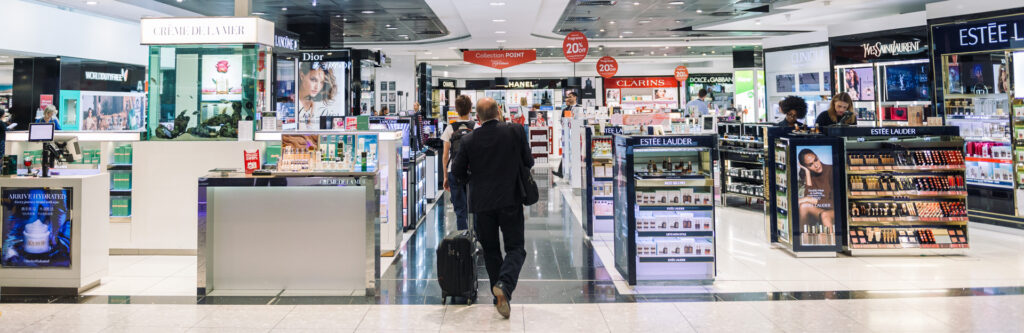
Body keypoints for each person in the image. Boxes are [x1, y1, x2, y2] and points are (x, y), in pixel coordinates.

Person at [451, 97, 532, 319]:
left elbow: (457, 172)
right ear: (499, 112)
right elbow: (529, 161)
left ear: (478, 117)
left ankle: (499, 297)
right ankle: (504, 285)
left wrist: (473, 179)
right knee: (516, 247)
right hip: (510, 199)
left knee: (491, 250)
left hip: (482, 203)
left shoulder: (469, 140)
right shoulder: (515, 131)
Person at [442, 95, 476, 231]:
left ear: (456, 109)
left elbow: (445, 155)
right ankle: (477, 239)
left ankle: (463, 240)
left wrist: (445, 176)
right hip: (473, 172)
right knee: (475, 207)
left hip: (454, 171)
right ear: (470, 109)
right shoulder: (476, 127)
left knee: (460, 210)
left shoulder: (450, 128)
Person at [797, 148, 835, 230]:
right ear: (805, 166)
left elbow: (834, 203)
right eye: (810, 165)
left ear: (818, 157)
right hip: (822, 209)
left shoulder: (831, 170)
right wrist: (807, 172)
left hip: (834, 210)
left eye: (816, 160)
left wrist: (812, 200)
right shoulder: (811, 175)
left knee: (825, 215)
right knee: (803, 206)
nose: (817, 165)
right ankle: (804, 239)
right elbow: (808, 196)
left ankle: (830, 241)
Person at [297, 62, 338, 129]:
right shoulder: (293, 104)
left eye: (321, 82)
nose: (317, 87)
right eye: (313, 80)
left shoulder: (319, 106)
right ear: (302, 76)